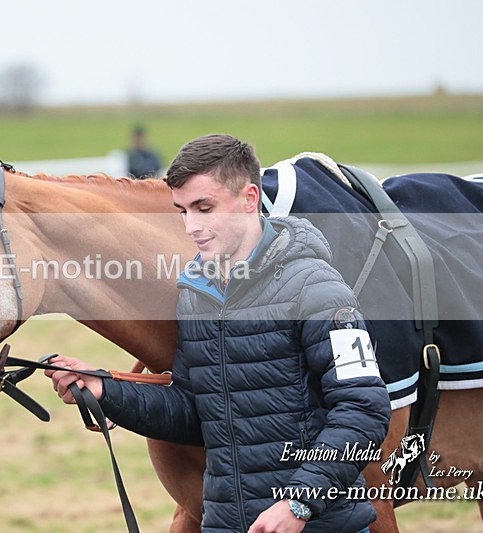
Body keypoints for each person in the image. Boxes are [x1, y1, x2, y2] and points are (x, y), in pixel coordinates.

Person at [46, 134, 392, 532]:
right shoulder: (197, 297)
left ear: (248, 199)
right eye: (182, 211)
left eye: (204, 208)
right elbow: (195, 411)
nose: (191, 227)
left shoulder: (318, 289)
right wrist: (106, 390)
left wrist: (300, 504)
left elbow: (364, 411)